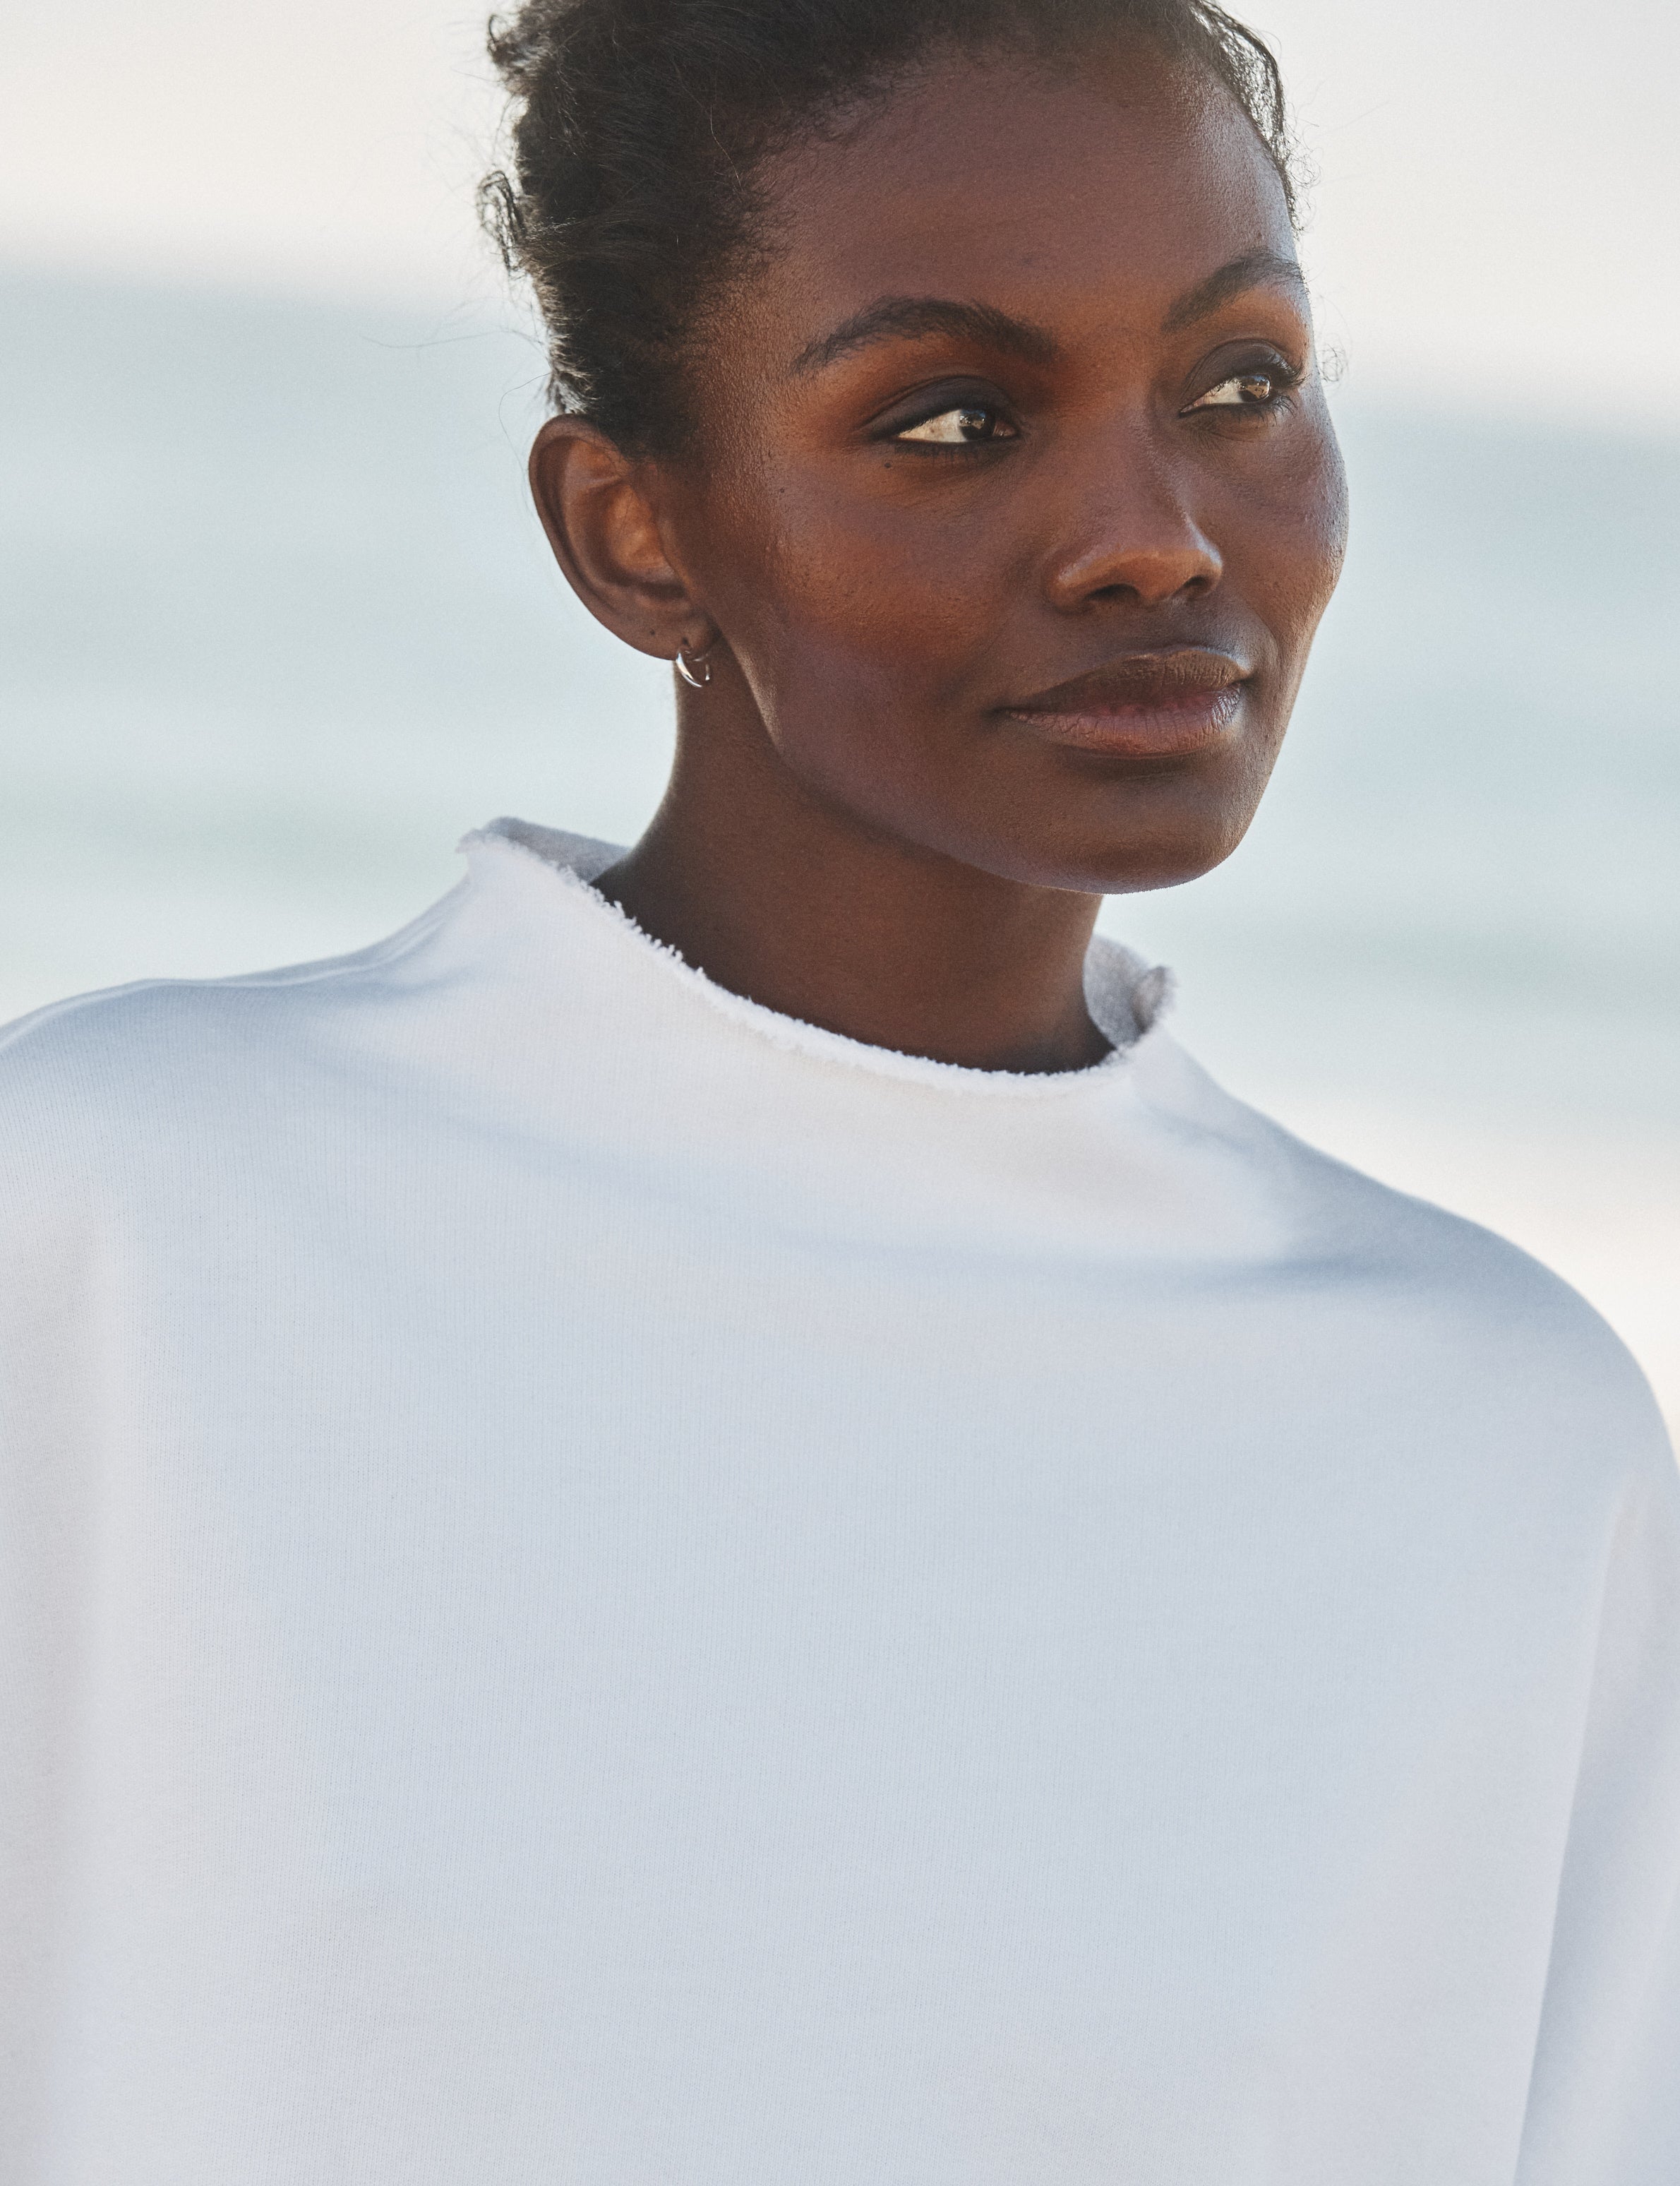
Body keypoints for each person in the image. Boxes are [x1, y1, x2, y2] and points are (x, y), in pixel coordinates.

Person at [1, 0, 1675, 2178]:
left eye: (1237, 385)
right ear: (633, 533)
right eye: (957, 419)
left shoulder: (1500, 1447)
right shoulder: (120, 1226)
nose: (1155, 537)